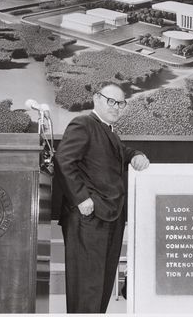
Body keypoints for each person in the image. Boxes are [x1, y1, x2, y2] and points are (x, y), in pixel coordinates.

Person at [54, 82, 150, 313]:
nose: (117, 107)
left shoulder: (109, 131)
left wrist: (136, 155)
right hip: (88, 218)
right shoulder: (84, 123)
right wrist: (81, 198)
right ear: (96, 99)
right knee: (86, 288)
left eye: (121, 103)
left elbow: (120, 153)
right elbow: (63, 160)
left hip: (109, 218)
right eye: (111, 101)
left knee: (102, 286)